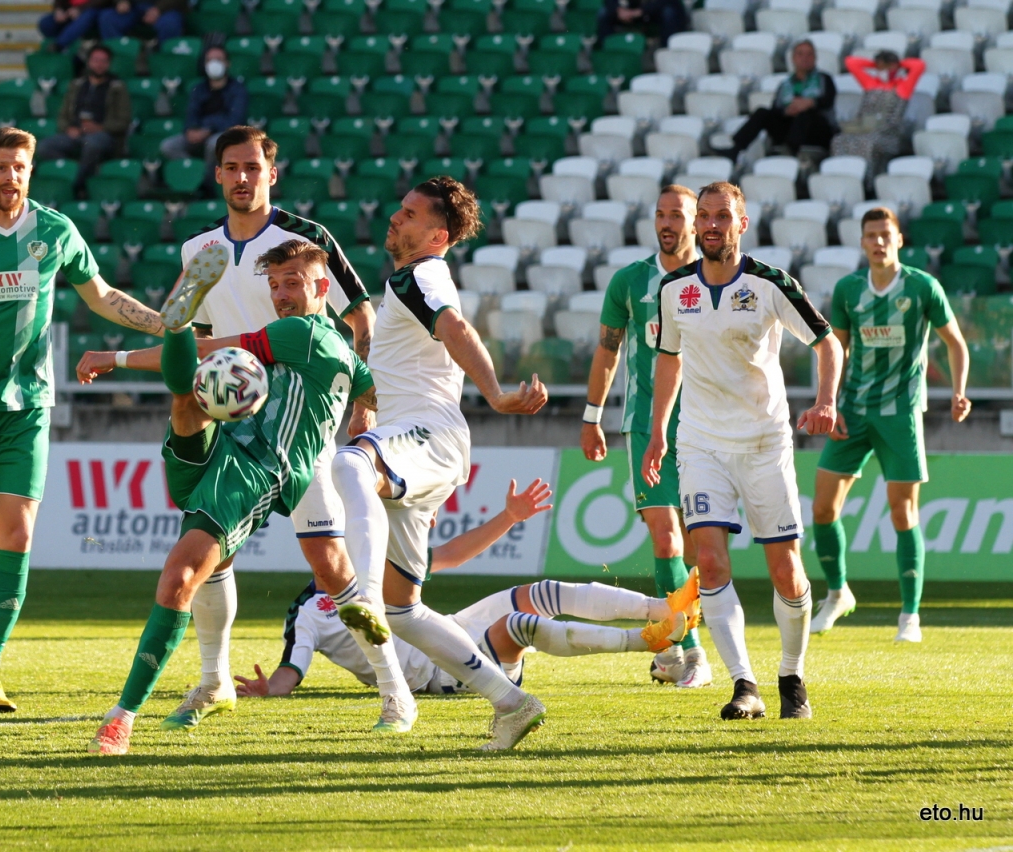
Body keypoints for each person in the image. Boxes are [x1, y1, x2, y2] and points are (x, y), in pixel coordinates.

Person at [75, 125, 406, 733]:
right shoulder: (199, 250)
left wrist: (359, 404)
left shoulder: (306, 240)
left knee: (330, 568)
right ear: (218, 174)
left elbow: (360, 315)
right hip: (231, 416)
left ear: (271, 173)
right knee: (211, 552)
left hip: (297, 427)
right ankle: (213, 680)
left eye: (253, 166)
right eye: (231, 167)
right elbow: (197, 343)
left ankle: (394, 691)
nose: (242, 177)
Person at [0, 126, 173, 714]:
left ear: (30, 170)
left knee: (17, 537)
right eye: (1, 166)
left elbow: (101, 295)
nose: (10, 176)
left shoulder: (55, 230)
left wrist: (166, 325)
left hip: (27, 407)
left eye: (19, 166)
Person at [85, 239, 378, 756]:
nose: (280, 294)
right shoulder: (333, 350)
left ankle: (122, 716)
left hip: (255, 464)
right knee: (190, 398)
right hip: (226, 445)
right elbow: (376, 389)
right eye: (275, 284)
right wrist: (375, 410)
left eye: (292, 283)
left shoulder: (301, 333)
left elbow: (213, 350)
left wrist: (119, 356)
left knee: (182, 577)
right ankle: (213, 684)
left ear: (322, 288)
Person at [331, 176, 550, 751]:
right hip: (418, 437)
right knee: (403, 612)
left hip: (430, 435)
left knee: (350, 466)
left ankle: (358, 594)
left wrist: (496, 393)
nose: (395, 217)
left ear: (437, 235)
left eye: (409, 214)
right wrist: (366, 407)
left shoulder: (420, 274)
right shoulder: (407, 285)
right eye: (400, 208)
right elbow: (401, 366)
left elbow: (455, 328)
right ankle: (512, 702)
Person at [642, 181, 844, 721]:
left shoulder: (770, 283)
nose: (712, 225)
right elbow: (669, 359)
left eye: (723, 216)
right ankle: (744, 685)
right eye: (704, 216)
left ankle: (792, 676)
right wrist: (658, 431)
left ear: (742, 223)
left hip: (763, 442)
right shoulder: (674, 288)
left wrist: (826, 400)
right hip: (700, 442)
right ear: (696, 225)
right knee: (708, 561)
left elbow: (828, 342)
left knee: (786, 572)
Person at [234, 480, 703, 700]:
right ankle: (644, 641)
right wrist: (268, 688)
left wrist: (510, 517)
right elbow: (291, 670)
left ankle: (663, 608)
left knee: (539, 591)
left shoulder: (371, 563)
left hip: (450, 628)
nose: (332, 541)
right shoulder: (307, 613)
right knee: (519, 625)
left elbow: (452, 554)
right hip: (441, 670)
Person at [809, 207, 970, 643]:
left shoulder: (922, 287)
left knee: (903, 511)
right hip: (853, 411)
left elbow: (955, 343)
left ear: (899, 239)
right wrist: (830, 402)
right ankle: (837, 593)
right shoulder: (848, 289)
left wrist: (958, 391)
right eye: (871, 235)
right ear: (862, 242)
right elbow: (837, 350)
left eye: (885, 234)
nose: (878, 241)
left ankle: (909, 617)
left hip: (901, 413)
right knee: (822, 509)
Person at [581, 185, 711, 689]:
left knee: (700, 547)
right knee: (666, 536)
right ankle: (691, 652)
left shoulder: (714, 279)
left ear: (696, 222)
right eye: (660, 214)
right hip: (643, 422)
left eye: (677, 215)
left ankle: (672, 643)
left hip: (705, 424)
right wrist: (592, 416)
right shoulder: (630, 281)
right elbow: (607, 350)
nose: (666, 223)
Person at [714, 41, 837, 162]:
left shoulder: (824, 79)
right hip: (789, 128)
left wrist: (810, 103)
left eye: (809, 54)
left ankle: (790, 154)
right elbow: (775, 109)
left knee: (804, 115)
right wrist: (787, 111)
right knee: (762, 113)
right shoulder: (785, 84)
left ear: (815, 58)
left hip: (816, 131)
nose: (805, 58)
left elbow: (828, 101)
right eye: (800, 54)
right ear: (793, 58)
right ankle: (735, 149)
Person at [38, 45, 131, 196]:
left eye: (103, 61)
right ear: (89, 62)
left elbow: (124, 121)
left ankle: (77, 185)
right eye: (95, 60)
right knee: (44, 147)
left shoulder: (117, 87)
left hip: (104, 135)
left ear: (109, 64)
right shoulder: (77, 85)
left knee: (92, 144)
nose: (99, 64)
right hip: (76, 133)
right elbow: (62, 116)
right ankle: (75, 171)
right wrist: (68, 129)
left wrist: (100, 127)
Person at [830, 51, 926, 171]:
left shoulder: (903, 87)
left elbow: (919, 65)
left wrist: (898, 64)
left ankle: (866, 177)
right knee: (839, 140)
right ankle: (841, 172)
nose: (883, 71)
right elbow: (850, 62)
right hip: (863, 128)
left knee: (867, 143)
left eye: (886, 68)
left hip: (887, 133)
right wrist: (875, 64)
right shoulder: (871, 83)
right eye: (880, 68)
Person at [160, 46, 247, 175]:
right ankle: (194, 172)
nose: (214, 64)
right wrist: (191, 129)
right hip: (200, 132)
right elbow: (191, 113)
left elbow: (235, 120)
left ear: (227, 63)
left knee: (214, 143)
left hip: (224, 134)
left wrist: (209, 129)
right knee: (168, 146)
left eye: (218, 59)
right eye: (209, 60)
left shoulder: (238, 90)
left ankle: (208, 178)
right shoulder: (198, 89)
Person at [595, 0, 688, 47]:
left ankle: (667, 51)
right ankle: (609, 53)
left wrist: (641, 11)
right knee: (604, 13)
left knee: (669, 13)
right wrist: (618, 10)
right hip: (629, 11)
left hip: (654, 11)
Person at [97, 0, 186, 44]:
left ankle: (163, 58)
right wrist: (121, 1)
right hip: (133, 6)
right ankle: (117, 54)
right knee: (108, 17)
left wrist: (158, 9)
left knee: (170, 23)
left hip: (165, 7)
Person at [37, 0, 104, 53]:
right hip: (70, 11)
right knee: (46, 23)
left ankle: (59, 45)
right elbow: (59, 2)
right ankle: (54, 49)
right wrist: (58, 9)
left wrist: (80, 9)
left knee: (87, 16)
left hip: (94, 11)